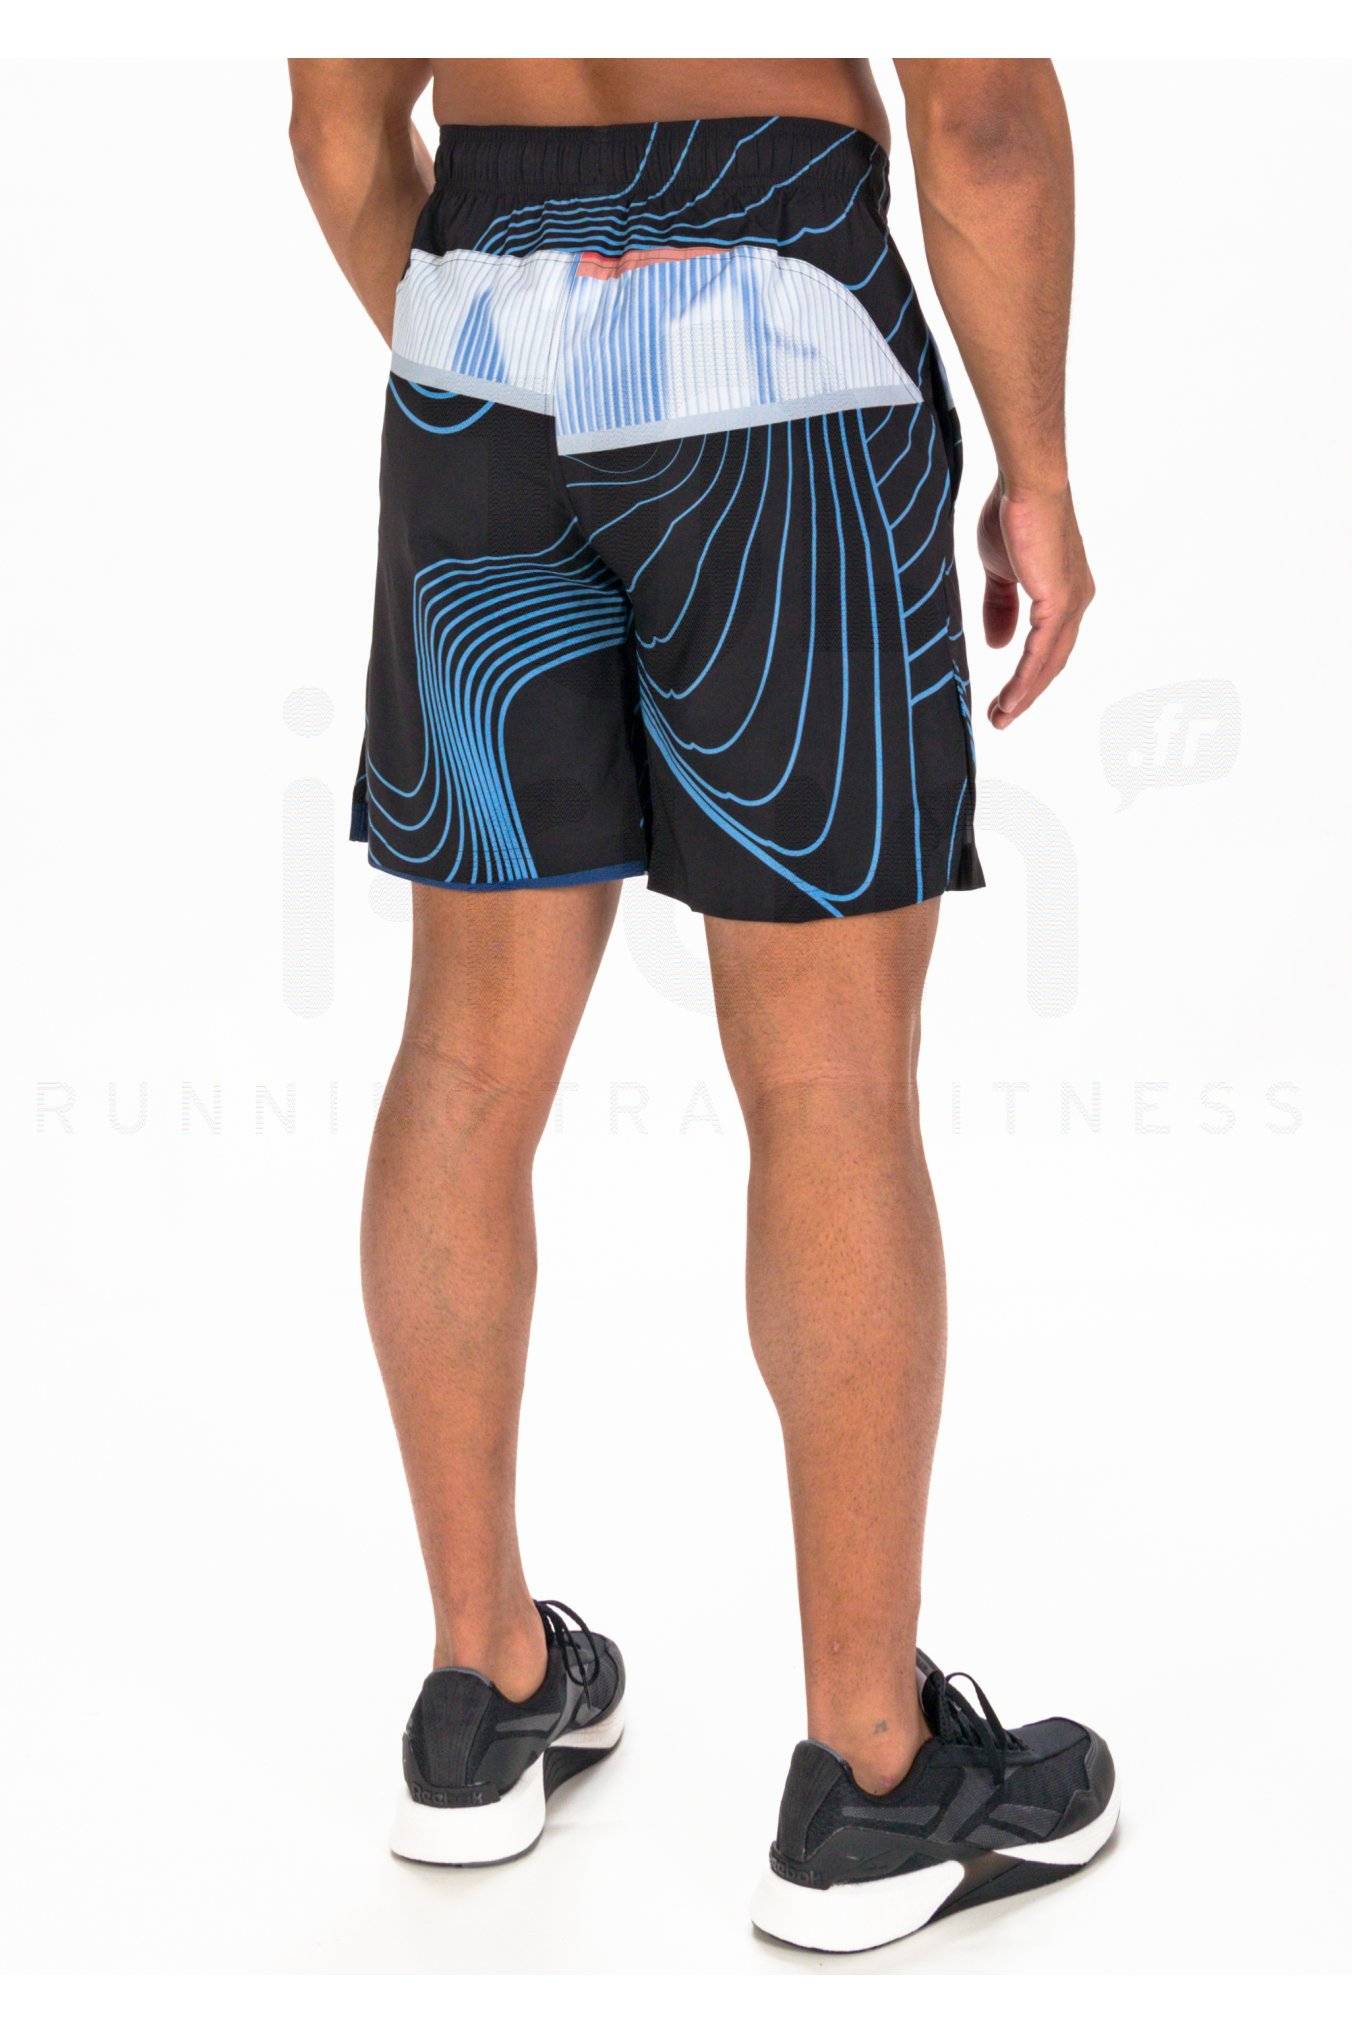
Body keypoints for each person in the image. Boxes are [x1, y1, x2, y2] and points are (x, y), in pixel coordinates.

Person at [288, 56, 1115, 1951]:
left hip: (480, 329)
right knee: (828, 1083)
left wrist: (499, 352)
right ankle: (876, 1773)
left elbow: (336, 130)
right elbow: (984, 121)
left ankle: (481, 1689)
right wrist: (1042, 475)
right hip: (779, 329)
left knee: (462, 1058)